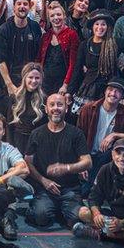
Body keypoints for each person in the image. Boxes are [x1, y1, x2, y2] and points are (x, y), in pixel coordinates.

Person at [24, 93, 91, 228]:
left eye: (60, 104)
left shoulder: (76, 133)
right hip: (45, 189)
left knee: (76, 220)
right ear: (46, 109)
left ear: (66, 108)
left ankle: (64, 210)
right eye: (52, 105)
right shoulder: (36, 134)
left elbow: (88, 162)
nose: (56, 108)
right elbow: (27, 162)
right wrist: (44, 180)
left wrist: (66, 168)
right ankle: (51, 209)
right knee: (41, 218)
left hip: (70, 189)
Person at [76, 78, 124, 196]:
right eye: (110, 89)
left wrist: (115, 135)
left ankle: (96, 191)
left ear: (122, 96)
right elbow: (78, 137)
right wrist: (81, 160)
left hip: (109, 158)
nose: (113, 93)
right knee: (83, 189)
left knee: (112, 154)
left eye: (117, 91)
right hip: (88, 154)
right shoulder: (88, 109)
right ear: (105, 92)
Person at [0, 0, 43, 93]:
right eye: (19, 4)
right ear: (14, 7)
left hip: (30, 77)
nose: (22, 7)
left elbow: (38, 55)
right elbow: (0, 60)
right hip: (10, 77)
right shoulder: (3, 30)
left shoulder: (35, 27)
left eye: (25, 4)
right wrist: (9, 84)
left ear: (30, 6)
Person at [37, 3, 79, 95]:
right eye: (52, 15)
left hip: (62, 83)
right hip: (45, 83)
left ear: (64, 16)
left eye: (59, 14)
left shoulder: (72, 34)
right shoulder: (46, 36)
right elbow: (39, 60)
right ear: (49, 19)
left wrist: (65, 85)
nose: (56, 18)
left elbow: (73, 63)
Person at [8, 63, 48, 153]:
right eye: (30, 77)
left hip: (36, 143)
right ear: (24, 78)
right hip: (17, 142)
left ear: (41, 80)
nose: (34, 81)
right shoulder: (14, 97)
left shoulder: (44, 99)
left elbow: (45, 126)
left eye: (37, 78)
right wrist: (10, 148)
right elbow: (9, 125)